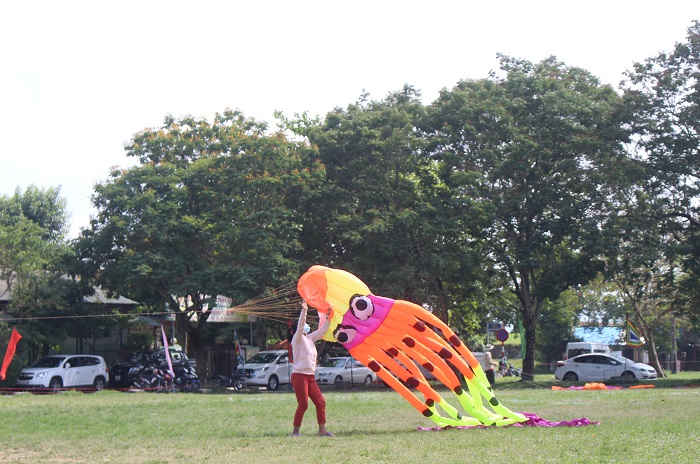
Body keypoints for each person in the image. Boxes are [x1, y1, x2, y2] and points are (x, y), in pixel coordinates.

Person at [290, 300, 332, 437]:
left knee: (321, 402)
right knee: (303, 404)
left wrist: (328, 316)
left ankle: (322, 430)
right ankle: (295, 431)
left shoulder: (309, 338)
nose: (306, 327)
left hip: (310, 376)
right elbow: (301, 326)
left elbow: (322, 331)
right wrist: (304, 311)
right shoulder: (297, 339)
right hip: (299, 375)